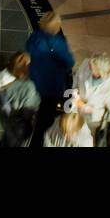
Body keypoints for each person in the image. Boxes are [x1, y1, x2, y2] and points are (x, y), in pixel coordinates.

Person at [26, 12, 74, 147]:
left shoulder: (35, 36)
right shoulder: (59, 44)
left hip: (35, 79)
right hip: (51, 85)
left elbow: (27, 48)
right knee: (46, 117)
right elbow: (69, 62)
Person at [73, 52, 110, 146]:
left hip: (92, 122)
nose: (89, 67)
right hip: (76, 113)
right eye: (90, 64)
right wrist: (74, 91)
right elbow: (77, 77)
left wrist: (91, 110)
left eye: (92, 68)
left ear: (101, 73)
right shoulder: (87, 63)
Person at [0, 51, 40, 147]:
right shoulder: (29, 86)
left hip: (7, 121)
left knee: (6, 140)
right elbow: (29, 112)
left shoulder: (5, 77)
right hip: (18, 127)